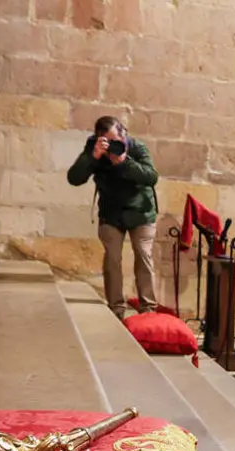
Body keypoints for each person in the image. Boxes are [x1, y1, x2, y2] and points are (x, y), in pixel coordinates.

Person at [67, 116, 159, 319]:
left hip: (141, 212)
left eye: (118, 140)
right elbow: (74, 178)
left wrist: (125, 162)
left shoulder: (136, 147)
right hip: (111, 213)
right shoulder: (94, 148)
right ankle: (116, 309)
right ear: (99, 139)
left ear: (124, 133)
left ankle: (148, 309)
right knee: (112, 258)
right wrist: (92, 157)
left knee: (143, 254)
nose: (115, 145)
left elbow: (151, 177)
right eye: (109, 142)